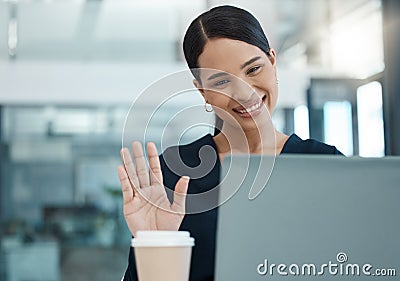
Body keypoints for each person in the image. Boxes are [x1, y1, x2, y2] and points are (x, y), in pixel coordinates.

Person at [118, 5, 342, 281]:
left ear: (273, 62)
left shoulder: (326, 165)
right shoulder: (173, 175)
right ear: (203, 91)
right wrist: (154, 245)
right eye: (222, 81)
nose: (244, 92)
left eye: (254, 69)